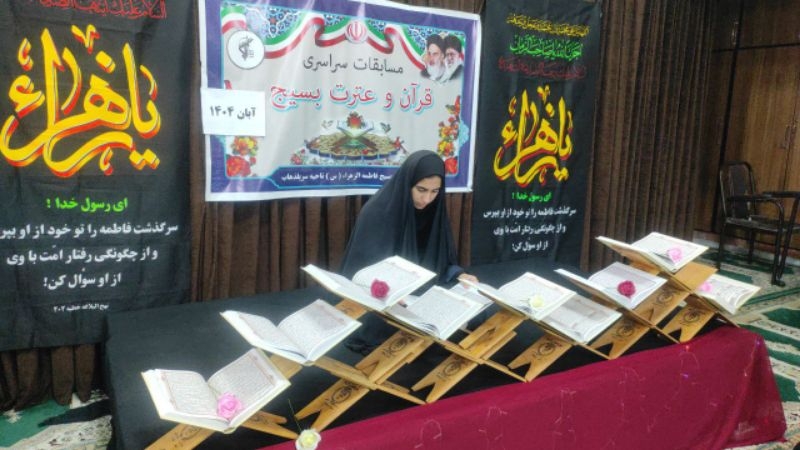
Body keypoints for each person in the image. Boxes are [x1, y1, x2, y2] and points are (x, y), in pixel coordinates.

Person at [340, 150, 478, 354]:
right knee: (379, 322)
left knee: (475, 307)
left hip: (423, 289)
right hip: (382, 294)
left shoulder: (434, 211)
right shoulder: (377, 213)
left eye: (434, 191)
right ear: (408, 183)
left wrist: (458, 274)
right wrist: (390, 293)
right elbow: (361, 272)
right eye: (421, 190)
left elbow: (441, 261)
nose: (427, 199)